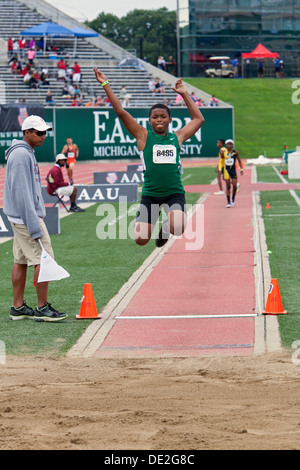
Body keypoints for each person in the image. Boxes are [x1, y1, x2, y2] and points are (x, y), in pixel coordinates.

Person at [93, 67, 205, 247]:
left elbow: (198, 120)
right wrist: (105, 84)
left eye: (163, 117)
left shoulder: (177, 137)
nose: (159, 119)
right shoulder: (143, 136)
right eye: (155, 117)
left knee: (178, 227)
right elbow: (120, 111)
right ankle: (154, 224)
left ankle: (165, 228)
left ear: (170, 120)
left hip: (173, 193)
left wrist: (184, 94)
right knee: (141, 239)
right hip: (150, 195)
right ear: (149, 120)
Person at [3, 115, 68, 322]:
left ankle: (18, 307)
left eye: (45, 132)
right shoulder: (22, 155)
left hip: (20, 217)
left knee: (20, 261)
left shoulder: (24, 152)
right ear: (27, 132)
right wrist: (34, 225)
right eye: (39, 132)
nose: (43, 136)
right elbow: (22, 194)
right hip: (26, 218)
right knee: (44, 258)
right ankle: (42, 308)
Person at [222, 139, 243, 207]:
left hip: (233, 171)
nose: (229, 145)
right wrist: (222, 172)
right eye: (228, 144)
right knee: (228, 186)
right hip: (226, 171)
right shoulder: (223, 153)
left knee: (234, 186)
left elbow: (239, 160)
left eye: (231, 144)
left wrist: (241, 169)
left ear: (232, 145)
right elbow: (222, 162)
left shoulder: (235, 152)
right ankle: (228, 202)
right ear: (226, 145)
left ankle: (233, 198)